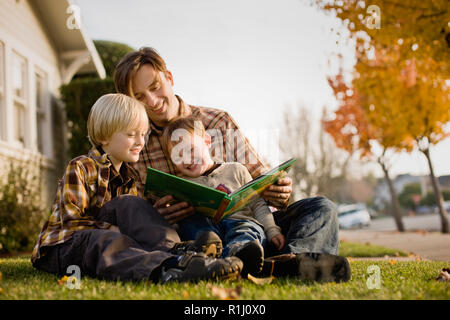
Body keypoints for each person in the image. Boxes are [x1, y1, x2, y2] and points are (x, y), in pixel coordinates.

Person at [114, 47, 351, 282]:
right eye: (140, 97)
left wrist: (279, 190)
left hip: (247, 224)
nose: (152, 101)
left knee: (321, 207)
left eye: (155, 88)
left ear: (169, 78)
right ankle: (249, 263)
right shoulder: (136, 144)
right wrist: (159, 214)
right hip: (194, 237)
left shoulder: (217, 121)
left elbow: (260, 185)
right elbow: (136, 212)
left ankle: (289, 259)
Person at [31, 93, 243, 284]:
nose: (140, 142)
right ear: (105, 137)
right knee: (106, 238)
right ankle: (169, 268)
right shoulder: (80, 167)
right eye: (132, 135)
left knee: (131, 204)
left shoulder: (129, 177)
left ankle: (180, 253)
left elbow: (133, 221)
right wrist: (115, 231)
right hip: (64, 247)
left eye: (143, 134)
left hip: (104, 240)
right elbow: (71, 223)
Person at [160, 115, 286, 277]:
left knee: (248, 229)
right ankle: (207, 259)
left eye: (191, 149)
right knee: (191, 223)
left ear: (206, 141)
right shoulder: (182, 185)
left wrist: (272, 230)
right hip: (208, 234)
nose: (187, 159)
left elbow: (258, 205)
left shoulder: (236, 170)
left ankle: (238, 254)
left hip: (240, 222)